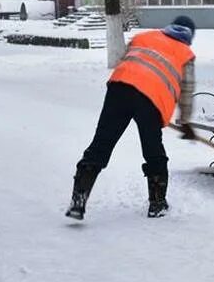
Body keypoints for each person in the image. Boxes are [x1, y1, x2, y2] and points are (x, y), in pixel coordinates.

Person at [66, 15, 197, 221]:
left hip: (119, 89)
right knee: (153, 150)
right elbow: (186, 91)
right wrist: (186, 122)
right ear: (190, 36)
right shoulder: (185, 54)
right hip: (150, 99)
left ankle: (79, 199)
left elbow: (125, 61)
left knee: (101, 143)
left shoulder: (144, 37)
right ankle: (157, 203)